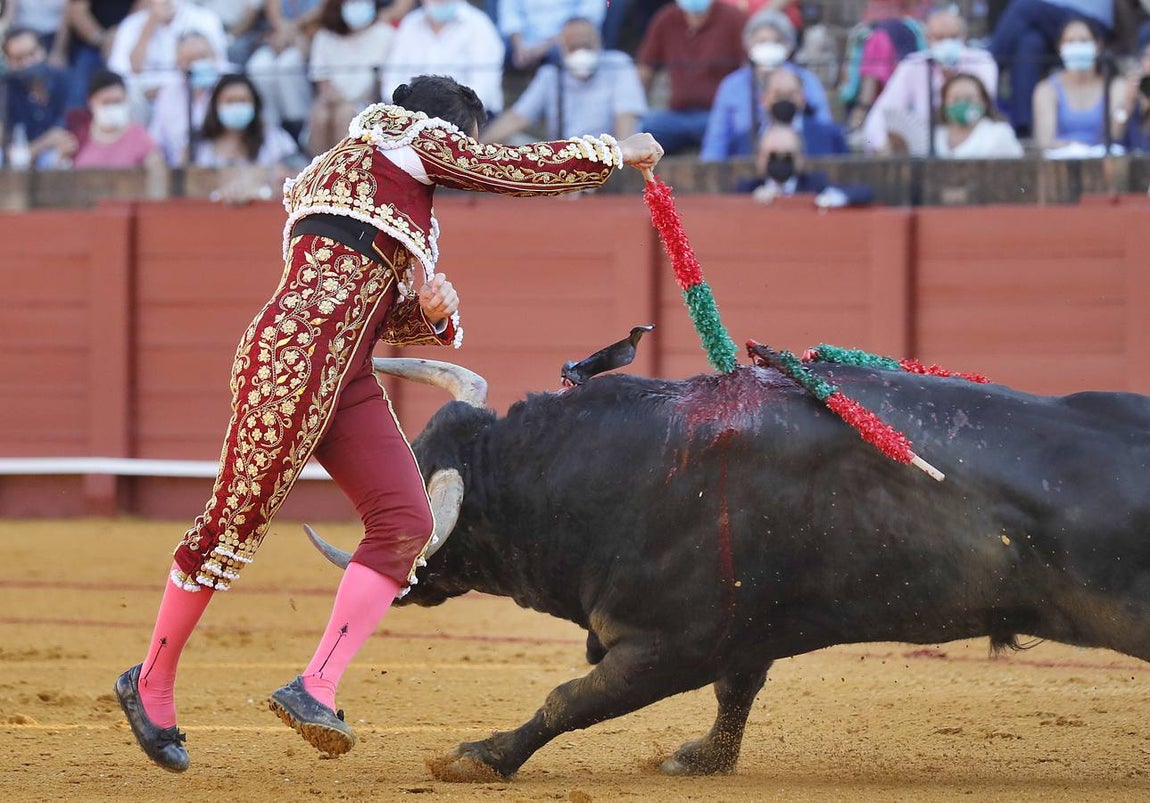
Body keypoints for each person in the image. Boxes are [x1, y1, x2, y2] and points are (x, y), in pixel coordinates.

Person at [113, 73, 664, 774]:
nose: (460, 156)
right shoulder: (402, 136)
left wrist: (429, 311)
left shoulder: (373, 174)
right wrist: (612, 151)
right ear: (440, 129)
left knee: (406, 522)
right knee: (232, 524)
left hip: (344, 367)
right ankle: (151, 681)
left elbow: (372, 304)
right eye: (461, 142)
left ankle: (315, 684)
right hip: (294, 356)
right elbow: (503, 168)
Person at [482, 17, 646, 143]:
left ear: (599, 42)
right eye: (574, 47)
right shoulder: (551, 75)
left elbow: (626, 119)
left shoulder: (618, 65)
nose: (581, 53)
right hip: (568, 159)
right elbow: (516, 118)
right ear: (562, 48)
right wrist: (476, 149)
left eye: (586, 46)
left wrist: (619, 159)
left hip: (609, 155)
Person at [700, 10, 836, 162]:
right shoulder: (731, 85)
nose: (768, 46)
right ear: (749, 45)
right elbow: (717, 140)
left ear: (788, 45)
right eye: (761, 41)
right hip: (746, 160)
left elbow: (824, 127)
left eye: (776, 41)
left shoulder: (806, 80)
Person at [861, 7, 998, 155]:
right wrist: (878, 145)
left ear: (964, 36)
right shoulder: (913, 65)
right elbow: (878, 117)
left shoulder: (981, 62)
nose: (947, 43)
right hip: (925, 150)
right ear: (927, 39)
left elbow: (983, 109)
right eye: (939, 37)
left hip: (975, 146)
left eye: (953, 37)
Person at [989, 0, 1114, 138]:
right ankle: (1023, 127)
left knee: (1022, 7)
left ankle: (987, 68)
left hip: (1090, 19)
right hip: (1050, 17)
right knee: (1030, 43)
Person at [637, 0, 747, 155]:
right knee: (641, 130)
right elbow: (645, 70)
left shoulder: (733, 18)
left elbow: (748, 70)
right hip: (675, 117)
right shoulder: (666, 19)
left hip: (717, 115)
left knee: (737, 128)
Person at [381, 0, 506, 121]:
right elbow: (391, 81)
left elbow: (483, 89)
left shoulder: (479, 25)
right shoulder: (410, 24)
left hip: (468, 117)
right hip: (412, 116)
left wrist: (441, 112)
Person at [106, 0, 228, 122]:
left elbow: (218, 66)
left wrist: (168, 91)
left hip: (192, 96)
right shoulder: (131, 24)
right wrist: (150, 23)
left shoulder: (205, 18)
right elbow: (120, 75)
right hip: (146, 104)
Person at [306, 0, 395, 155]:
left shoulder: (385, 34)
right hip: (332, 102)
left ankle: (344, 173)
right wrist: (338, 100)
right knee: (319, 114)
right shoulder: (324, 37)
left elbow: (384, 84)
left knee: (345, 114)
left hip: (368, 105)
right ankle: (316, 174)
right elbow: (323, 83)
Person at [1032, 18, 1125, 151]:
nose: (1077, 46)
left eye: (1084, 41)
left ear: (1098, 46)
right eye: (1070, 41)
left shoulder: (1115, 86)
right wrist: (1075, 149)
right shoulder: (1047, 89)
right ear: (1059, 48)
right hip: (1062, 163)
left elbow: (1115, 134)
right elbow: (1045, 141)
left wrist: (1126, 105)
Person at [737, 124, 873, 207]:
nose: (780, 161)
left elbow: (864, 193)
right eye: (773, 156)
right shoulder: (747, 189)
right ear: (760, 159)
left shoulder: (815, 185)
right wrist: (752, 202)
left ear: (800, 158)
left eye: (787, 156)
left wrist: (822, 200)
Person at [245, 0, 321, 142]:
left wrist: (295, 31)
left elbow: (324, 11)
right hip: (280, 37)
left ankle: (299, 131)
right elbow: (274, 11)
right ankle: (271, 132)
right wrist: (283, 32)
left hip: (313, 38)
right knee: (258, 66)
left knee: (288, 64)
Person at [2, 27, 76, 169]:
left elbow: (68, 133)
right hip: (17, 159)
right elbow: (6, 146)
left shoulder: (64, 80)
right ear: (9, 63)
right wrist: (42, 144)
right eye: (19, 59)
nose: (28, 63)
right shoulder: (5, 89)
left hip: (58, 154)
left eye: (32, 54)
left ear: (43, 51)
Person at [148, 31, 220, 166]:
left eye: (202, 57)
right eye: (189, 60)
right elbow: (156, 144)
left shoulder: (230, 87)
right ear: (178, 64)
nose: (197, 64)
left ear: (215, 57)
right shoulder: (168, 94)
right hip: (178, 174)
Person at [73, 69, 167, 168]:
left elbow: (157, 172)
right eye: (106, 102)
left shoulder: (139, 136)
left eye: (117, 102)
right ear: (91, 101)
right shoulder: (79, 136)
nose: (112, 107)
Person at [63, 0, 138, 111]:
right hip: (91, 44)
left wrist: (122, 34)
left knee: (133, 89)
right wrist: (102, 40)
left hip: (129, 40)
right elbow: (77, 12)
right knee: (80, 88)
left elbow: (143, 6)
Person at [933, 72, 1024, 157]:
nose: (962, 104)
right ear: (944, 102)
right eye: (955, 99)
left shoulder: (999, 133)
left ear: (984, 102)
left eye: (969, 99)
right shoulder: (933, 135)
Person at [498, 0, 606, 71]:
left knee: (573, 52)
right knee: (496, 48)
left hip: (566, 39)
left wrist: (542, 49)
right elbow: (510, 13)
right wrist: (519, 47)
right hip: (523, 42)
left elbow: (587, 17)